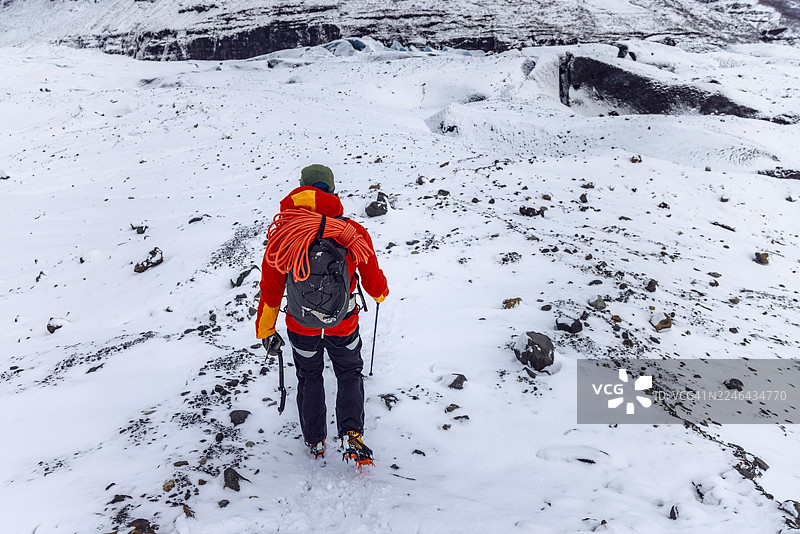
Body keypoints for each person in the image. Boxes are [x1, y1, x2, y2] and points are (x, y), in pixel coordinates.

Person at [255, 164, 389, 466]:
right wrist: (380, 294)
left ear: (301, 187)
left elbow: (271, 290)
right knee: (349, 371)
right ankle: (351, 433)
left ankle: (315, 440)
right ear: (331, 189)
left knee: (309, 375)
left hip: (301, 323)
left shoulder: (284, 235)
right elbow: (371, 277)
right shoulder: (351, 232)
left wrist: (266, 330)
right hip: (343, 320)